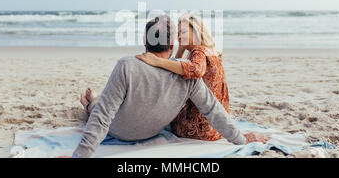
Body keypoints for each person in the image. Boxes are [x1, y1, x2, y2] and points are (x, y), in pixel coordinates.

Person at [72, 15, 268, 158]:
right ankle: (92, 100)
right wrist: (242, 139)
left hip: (118, 131)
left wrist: (79, 156)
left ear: (144, 41)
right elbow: (213, 110)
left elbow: (102, 117)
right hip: (151, 132)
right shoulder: (186, 73)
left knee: (98, 107)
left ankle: (89, 102)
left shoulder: (127, 65)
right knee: (103, 104)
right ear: (172, 45)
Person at [136, 13, 230, 141]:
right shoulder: (212, 52)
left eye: (184, 32)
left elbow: (196, 70)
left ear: (197, 31)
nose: (179, 36)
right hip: (217, 128)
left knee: (163, 116)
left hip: (199, 129)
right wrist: (182, 48)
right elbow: (177, 61)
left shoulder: (199, 51)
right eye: (178, 33)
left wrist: (157, 61)